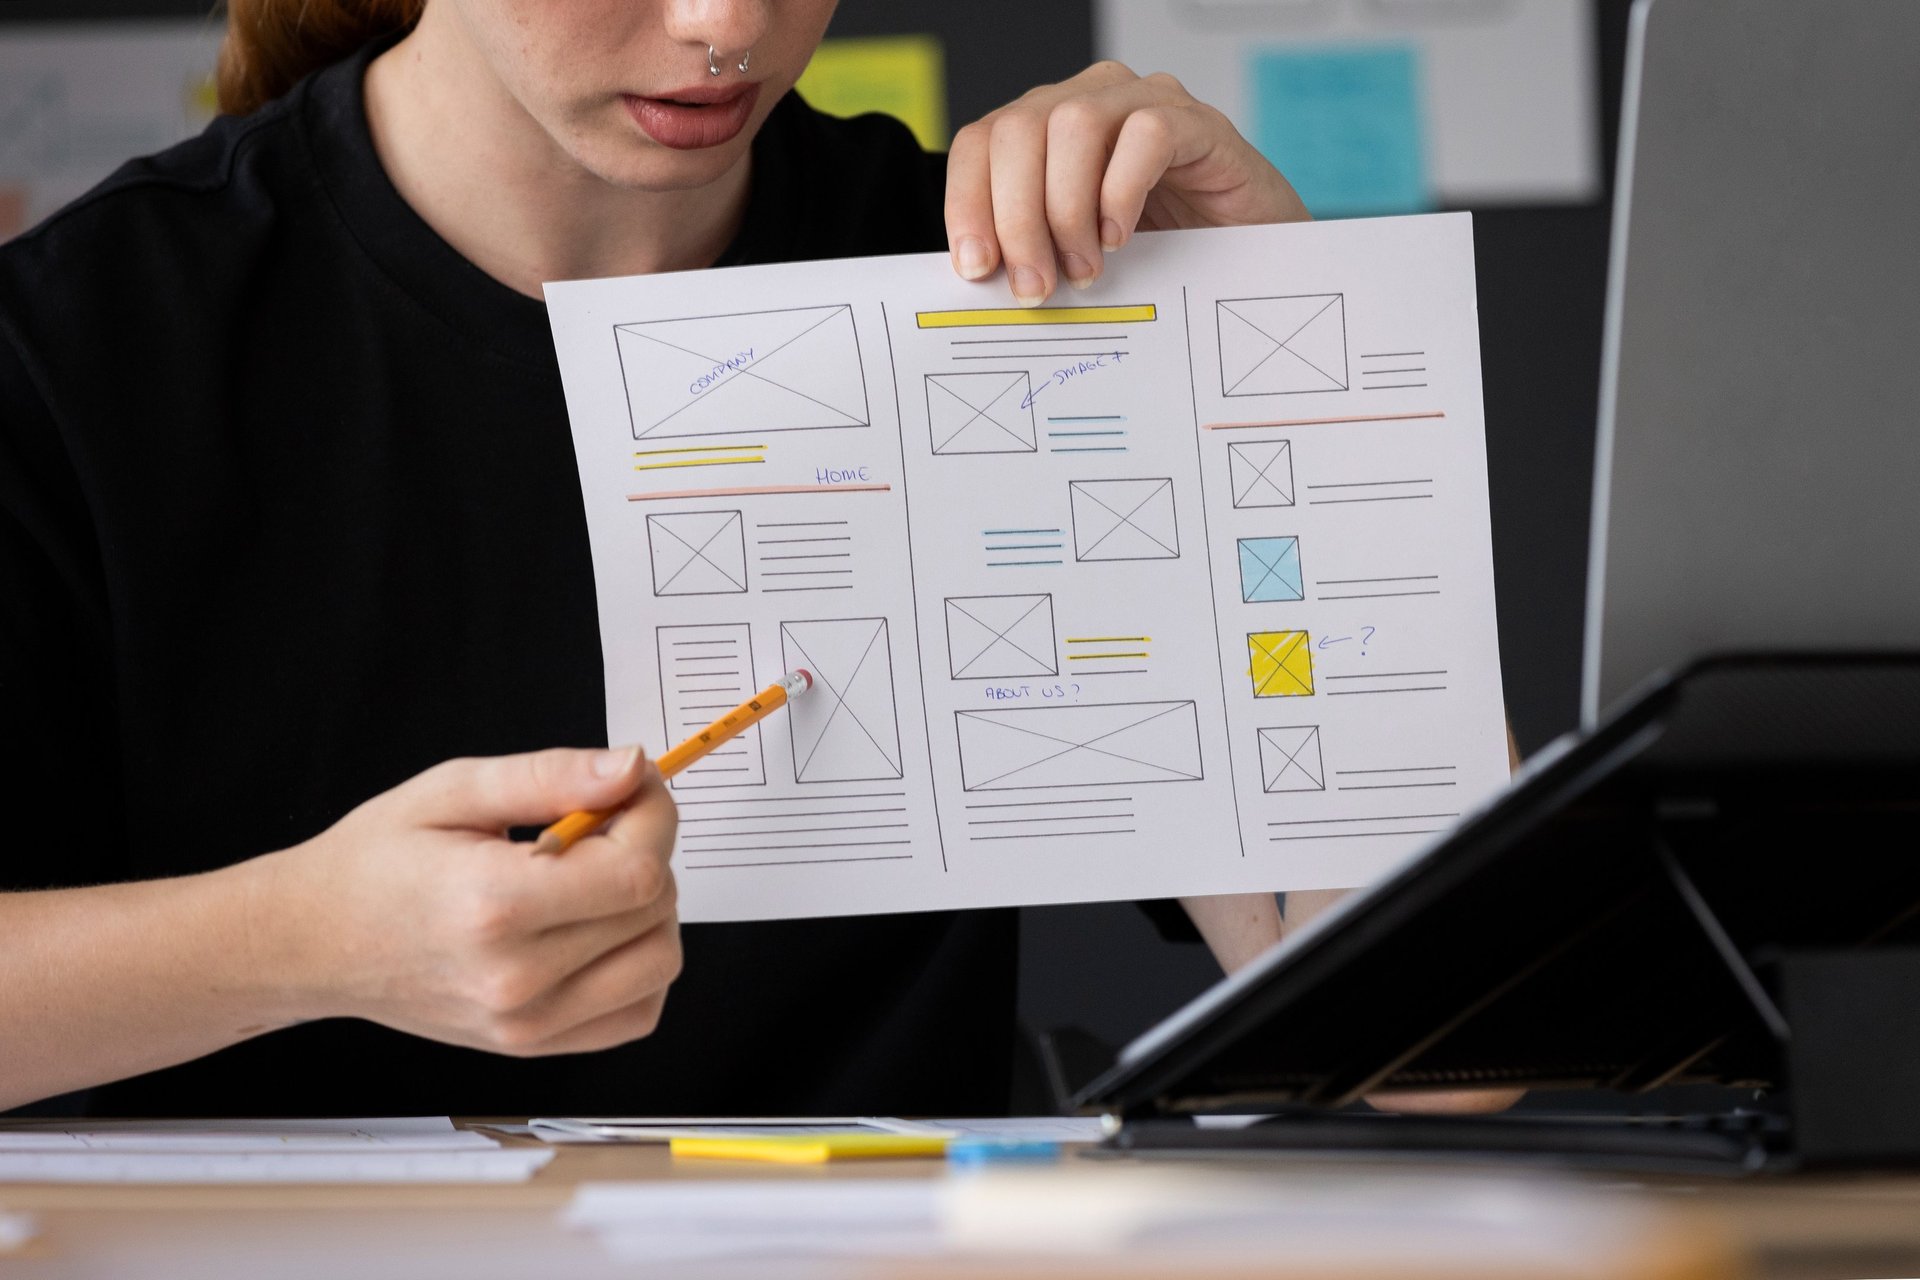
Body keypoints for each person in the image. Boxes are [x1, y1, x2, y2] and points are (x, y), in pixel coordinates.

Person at [0, 0, 1317, 1117]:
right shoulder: (76, 351)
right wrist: (303, 947)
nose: (727, 27)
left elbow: (1438, 1066)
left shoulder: (1005, 289)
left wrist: (1260, 365)